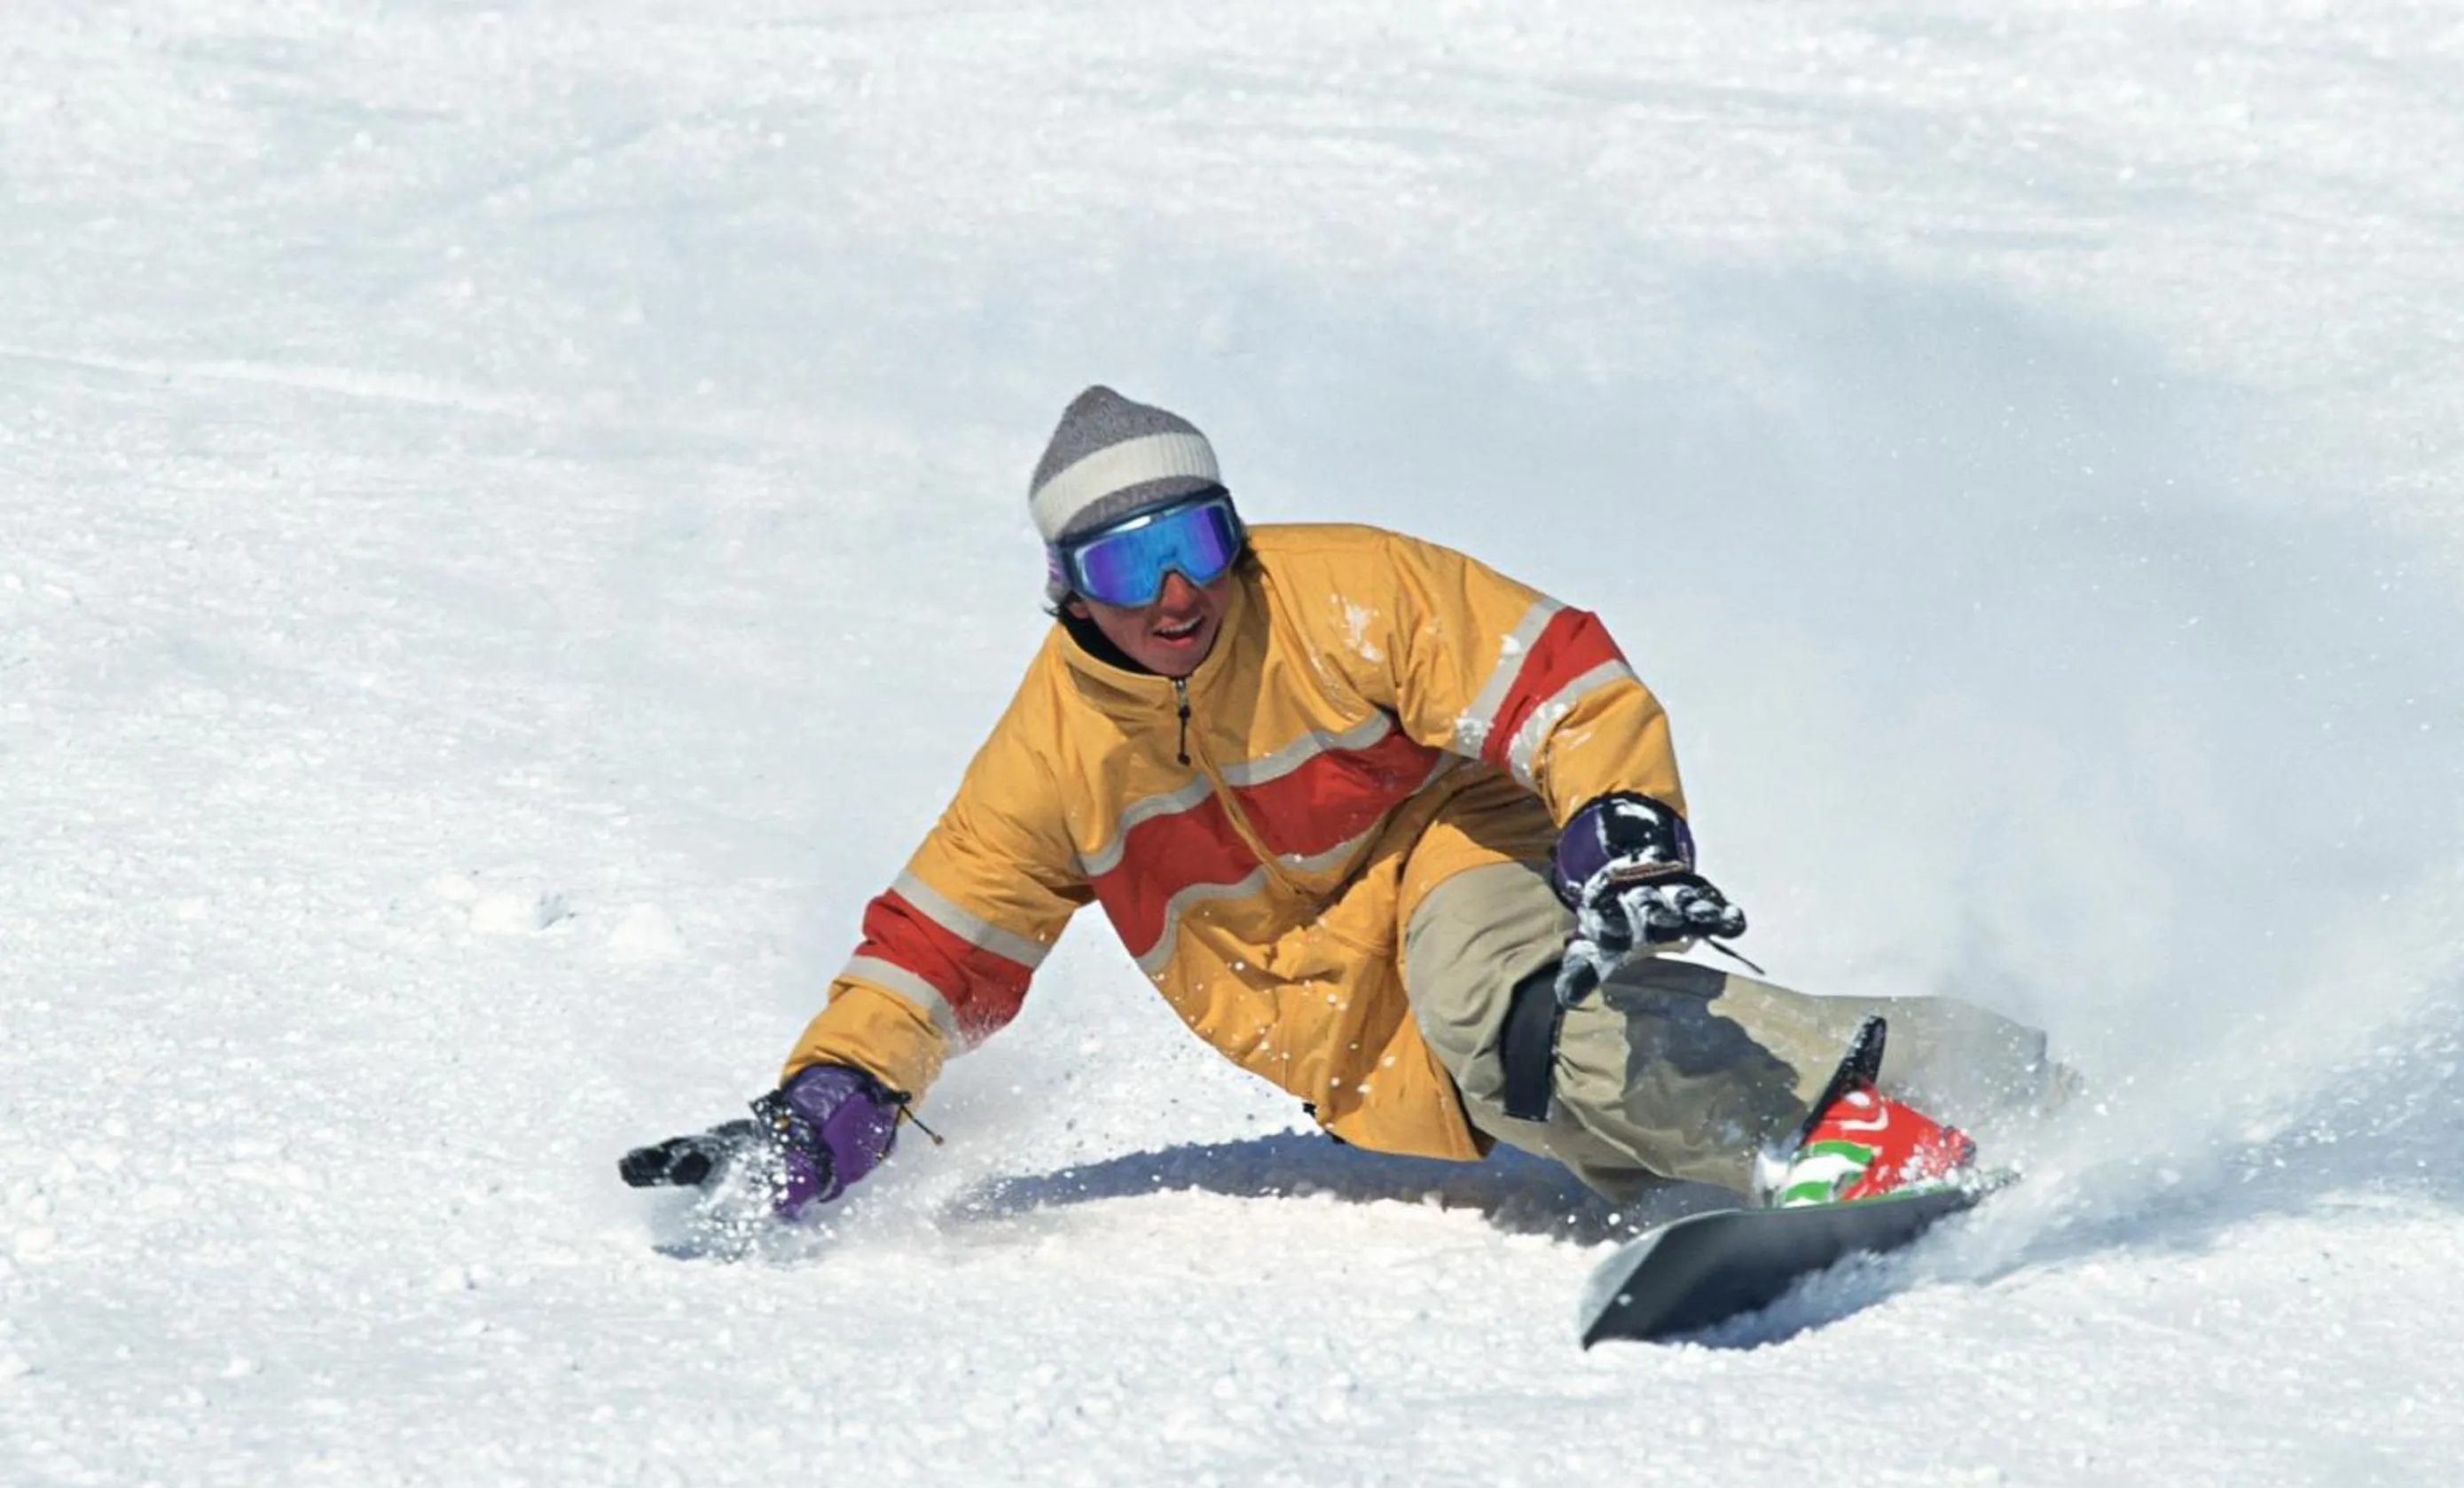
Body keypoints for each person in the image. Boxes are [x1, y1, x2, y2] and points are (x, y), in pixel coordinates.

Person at [621, 388, 2060, 1225]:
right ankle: (1993, 1073)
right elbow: (934, 951)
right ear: (1070, 594)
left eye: (1193, 542)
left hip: (1465, 846)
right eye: (1128, 570)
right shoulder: (1053, 758)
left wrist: (1617, 826)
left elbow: (1560, 680)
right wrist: (817, 1118)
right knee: (1565, 1092)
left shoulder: (1344, 594)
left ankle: (1842, 1148)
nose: (1176, 594)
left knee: (1514, 1024)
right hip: (1362, 1038)